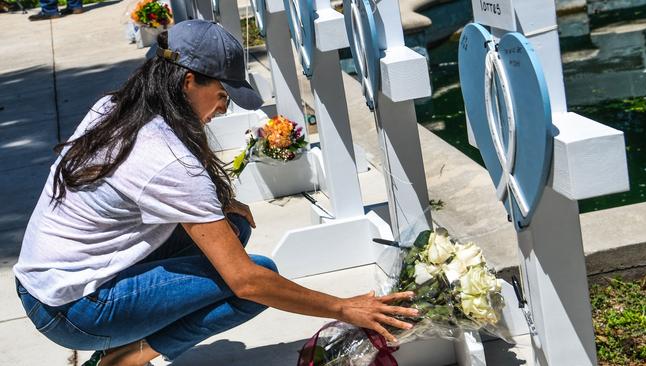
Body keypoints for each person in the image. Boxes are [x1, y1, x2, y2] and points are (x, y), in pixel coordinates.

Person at [13, 20, 417, 366]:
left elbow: (127, 186)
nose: (224, 109)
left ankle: (123, 342)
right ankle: (128, 356)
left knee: (233, 226)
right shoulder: (166, 159)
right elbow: (248, 283)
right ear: (189, 81)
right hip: (72, 311)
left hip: (42, 284)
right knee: (260, 281)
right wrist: (344, 307)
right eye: (223, 94)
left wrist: (219, 204)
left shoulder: (115, 107)